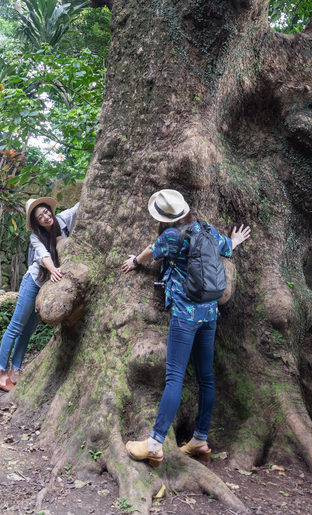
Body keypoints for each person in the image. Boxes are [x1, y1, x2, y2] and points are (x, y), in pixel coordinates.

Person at [121, 188, 251, 467]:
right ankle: (200, 440)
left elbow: (150, 252)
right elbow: (227, 247)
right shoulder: (207, 229)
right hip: (210, 314)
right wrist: (237, 239)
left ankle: (155, 444)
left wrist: (134, 261)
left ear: (166, 217)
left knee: (174, 378)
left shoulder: (170, 236)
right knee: (206, 378)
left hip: (184, 315)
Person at [0, 195, 79, 391]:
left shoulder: (62, 220)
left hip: (47, 288)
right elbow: (44, 256)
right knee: (15, 327)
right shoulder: (35, 237)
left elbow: (78, 206)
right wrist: (54, 270)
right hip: (33, 283)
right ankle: (1, 371)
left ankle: (15, 371)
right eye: (41, 216)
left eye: (46, 211)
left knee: (28, 332)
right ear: (36, 222)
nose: (46, 216)